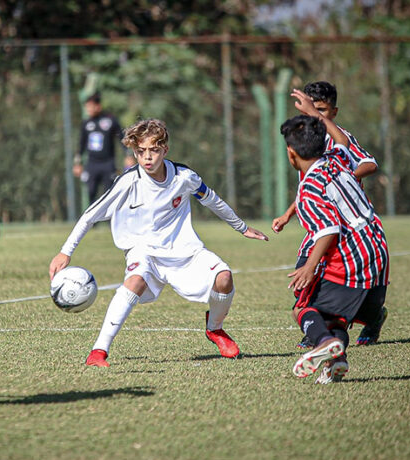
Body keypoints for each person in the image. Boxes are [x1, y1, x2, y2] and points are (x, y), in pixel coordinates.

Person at [50, 118, 268, 367]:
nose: (147, 157)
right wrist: (65, 252)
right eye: (141, 152)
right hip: (142, 250)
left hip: (183, 250)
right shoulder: (128, 181)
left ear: (165, 149)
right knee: (135, 281)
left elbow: (212, 200)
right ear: (134, 152)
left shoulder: (184, 177)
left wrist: (242, 228)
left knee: (224, 277)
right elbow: (90, 215)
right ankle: (98, 351)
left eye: (153, 150)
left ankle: (215, 329)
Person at [273, 82, 387, 347]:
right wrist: (289, 213)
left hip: (344, 238)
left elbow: (328, 227)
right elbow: (341, 144)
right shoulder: (332, 155)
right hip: (367, 236)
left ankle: (321, 336)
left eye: (320, 110)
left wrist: (340, 181)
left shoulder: (320, 175)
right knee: (322, 297)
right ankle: (327, 339)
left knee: (304, 305)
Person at [74, 92, 126, 203]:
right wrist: (77, 163)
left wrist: (128, 154)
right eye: (87, 107)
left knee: (110, 193)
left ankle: (110, 220)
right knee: (91, 191)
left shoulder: (110, 120)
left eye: (90, 106)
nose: (88, 109)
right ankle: (92, 220)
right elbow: (81, 144)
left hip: (108, 163)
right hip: (92, 164)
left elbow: (121, 138)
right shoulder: (86, 123)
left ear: (98, 106)